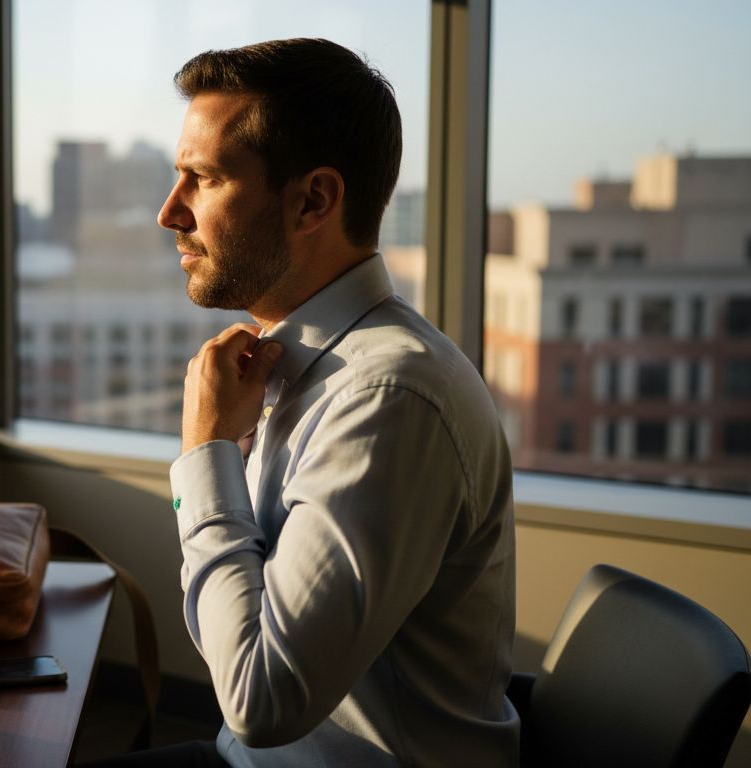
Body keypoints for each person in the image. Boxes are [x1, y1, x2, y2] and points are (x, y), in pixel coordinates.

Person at [88, 38, 519, 767]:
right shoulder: (288, 373)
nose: (169, 213)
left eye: (203, 179)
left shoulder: (390, 399)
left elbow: (261, 700)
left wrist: (206, 456)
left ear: (314, 199)